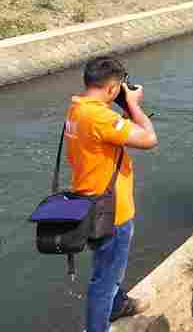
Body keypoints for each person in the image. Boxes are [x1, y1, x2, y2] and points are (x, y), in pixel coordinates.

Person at [65, 56, 158, 331]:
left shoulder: (77, 109)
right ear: (112, 88)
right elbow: (149, 138)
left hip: (90, 202)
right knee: (105, 280)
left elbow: (108, 138)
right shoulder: (100, 117)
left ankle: (118, 306)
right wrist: (133, 104)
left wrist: (121, 107)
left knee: (107, 266)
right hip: (112, 212)